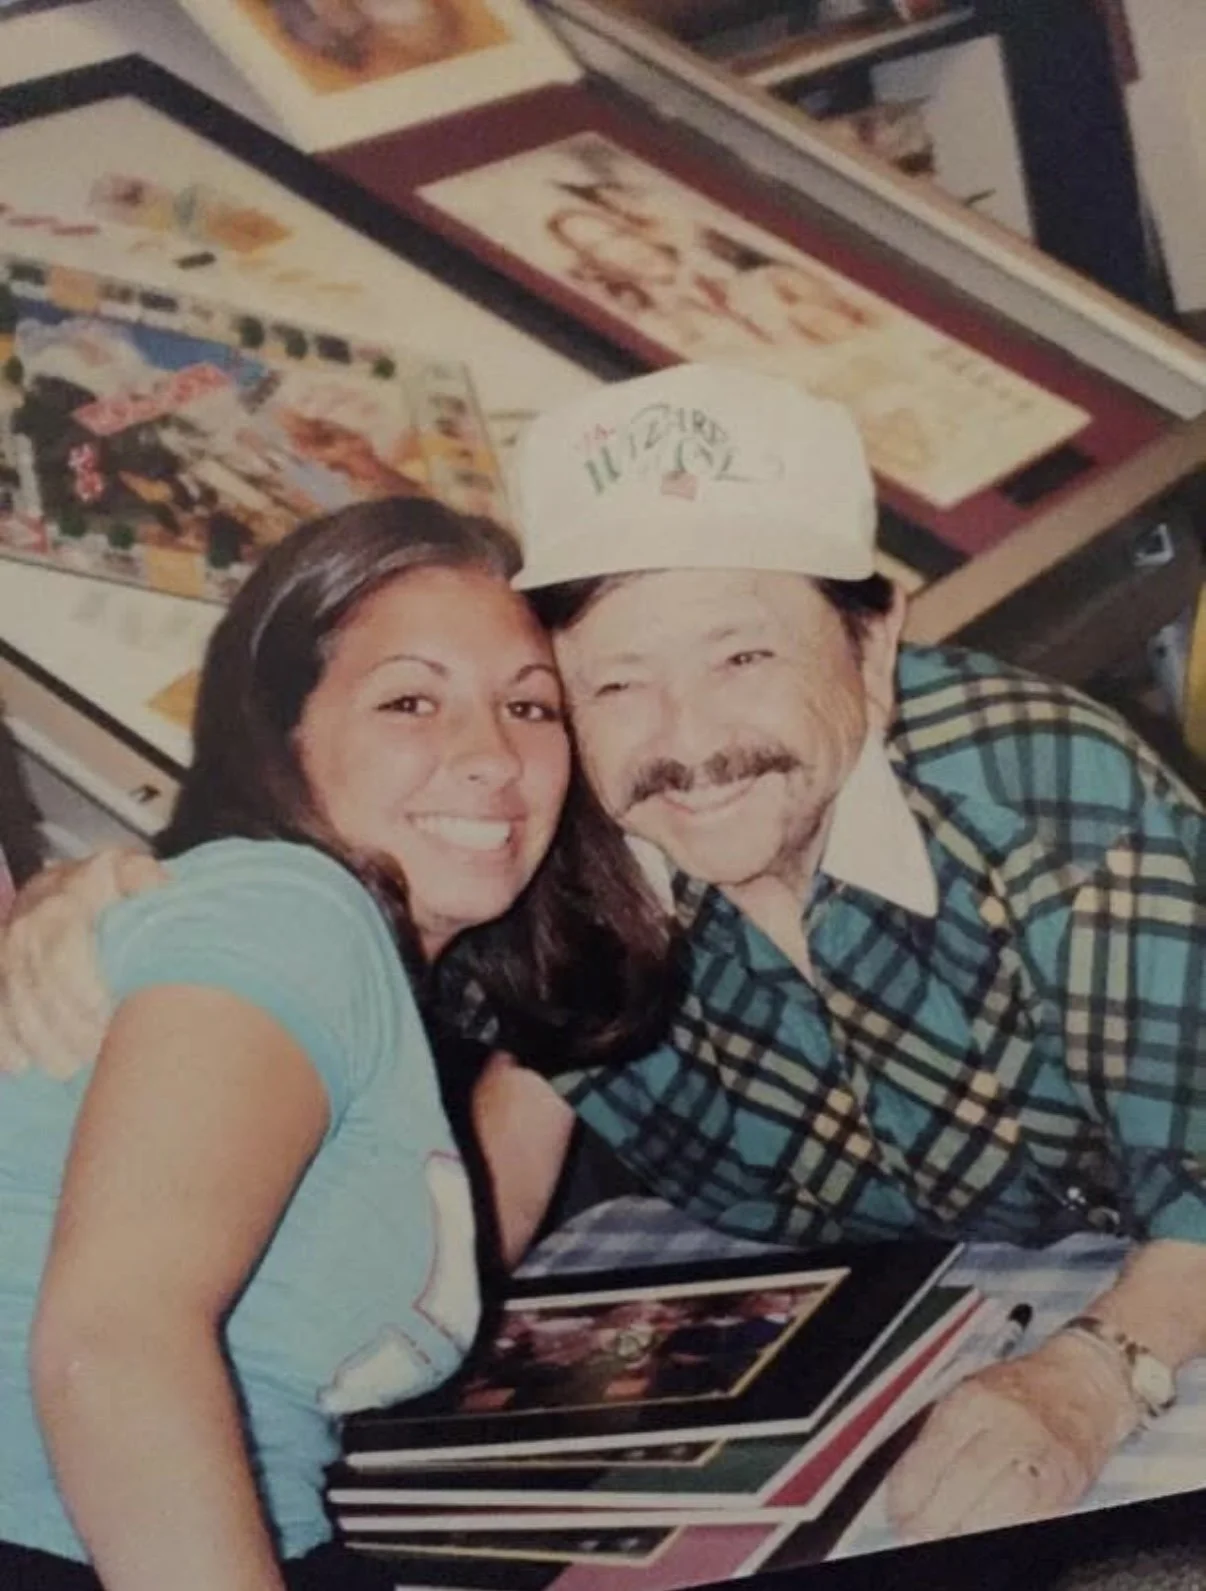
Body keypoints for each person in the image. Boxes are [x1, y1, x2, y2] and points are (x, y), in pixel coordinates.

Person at [9, 363, 1206, 1546]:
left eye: (742, 658)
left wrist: (1094, 1377)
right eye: (617, 681)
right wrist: (105, 894)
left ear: (873, 643)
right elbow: (447, 1120)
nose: (688, 741)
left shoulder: (1042, 792)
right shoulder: (531, 856)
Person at [0, 495, 663, 1591]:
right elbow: (115, 1344)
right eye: (410, 700)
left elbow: (435, 1260)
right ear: (283, 731)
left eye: (530, 707)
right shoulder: (291, 912)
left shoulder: (352, 963)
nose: (492, 756)